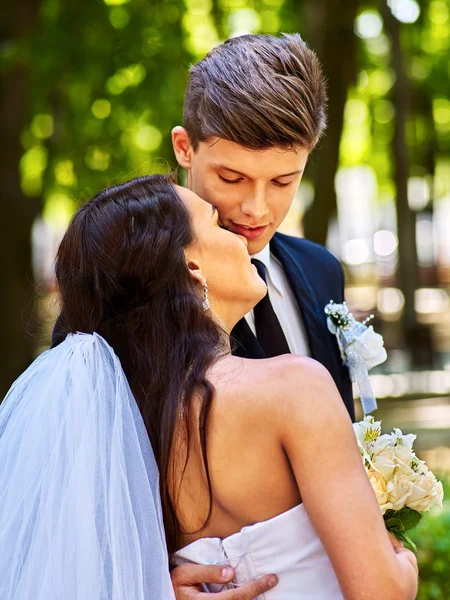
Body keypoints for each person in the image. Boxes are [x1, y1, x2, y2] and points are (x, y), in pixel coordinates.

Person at [39, 175, 417, 598]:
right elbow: (379, 593)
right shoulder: (293, 389)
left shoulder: (117, 427)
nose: (244, 241)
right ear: (192, 267)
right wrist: (403, 564)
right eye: (218, 225)